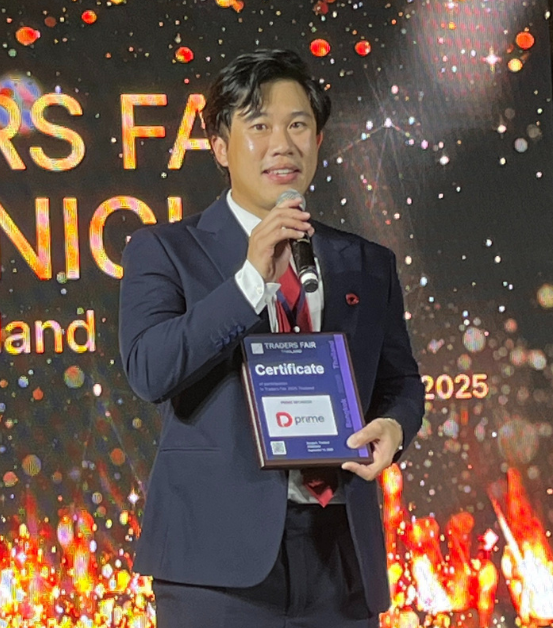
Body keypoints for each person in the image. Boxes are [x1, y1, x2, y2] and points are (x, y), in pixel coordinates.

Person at [117, 49, 425, 627]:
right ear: (219, 146)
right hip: (215, 566)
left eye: (298, 125)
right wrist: (248, 282)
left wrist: (394, 426)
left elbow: (401, 382)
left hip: (341, 556)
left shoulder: (366, 261)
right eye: (259, 126)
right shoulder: (164, 251)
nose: (282, 144)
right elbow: (150, 370)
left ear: (319, 140)